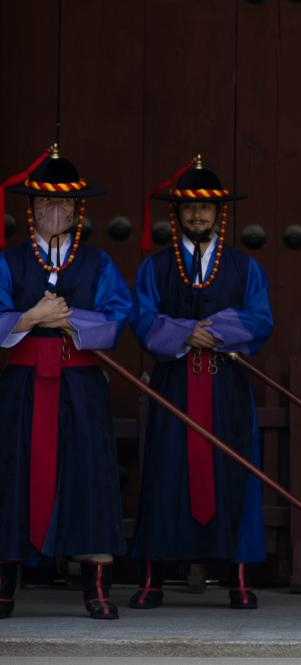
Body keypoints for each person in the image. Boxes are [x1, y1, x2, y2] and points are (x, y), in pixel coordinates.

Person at [129, 155, 273, 610]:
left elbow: (260, 319)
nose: (197, 216)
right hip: (174, 384)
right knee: (164, 474)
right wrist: (183, 332)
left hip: (227, 386)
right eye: (189, 209)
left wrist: (215, 330)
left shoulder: (244, 267)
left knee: (235, 475)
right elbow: (142, 317)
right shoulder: (154, 267)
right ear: (177, 214)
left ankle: (240, 579)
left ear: (219, 214)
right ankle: (153, 579)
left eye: (206, 209)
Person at [0, 145, 132, 619]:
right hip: (23, 386)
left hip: (80, 386)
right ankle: (4, 586)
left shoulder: (98, 263)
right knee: (12, 476)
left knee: (89, 479)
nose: (53, 213)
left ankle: (96, 588)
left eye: (64, 205)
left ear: (78, 210)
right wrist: (33, 315)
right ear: (30, 208)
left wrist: (69, 318)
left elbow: (119, 317)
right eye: (43, 204)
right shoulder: (9, 261)